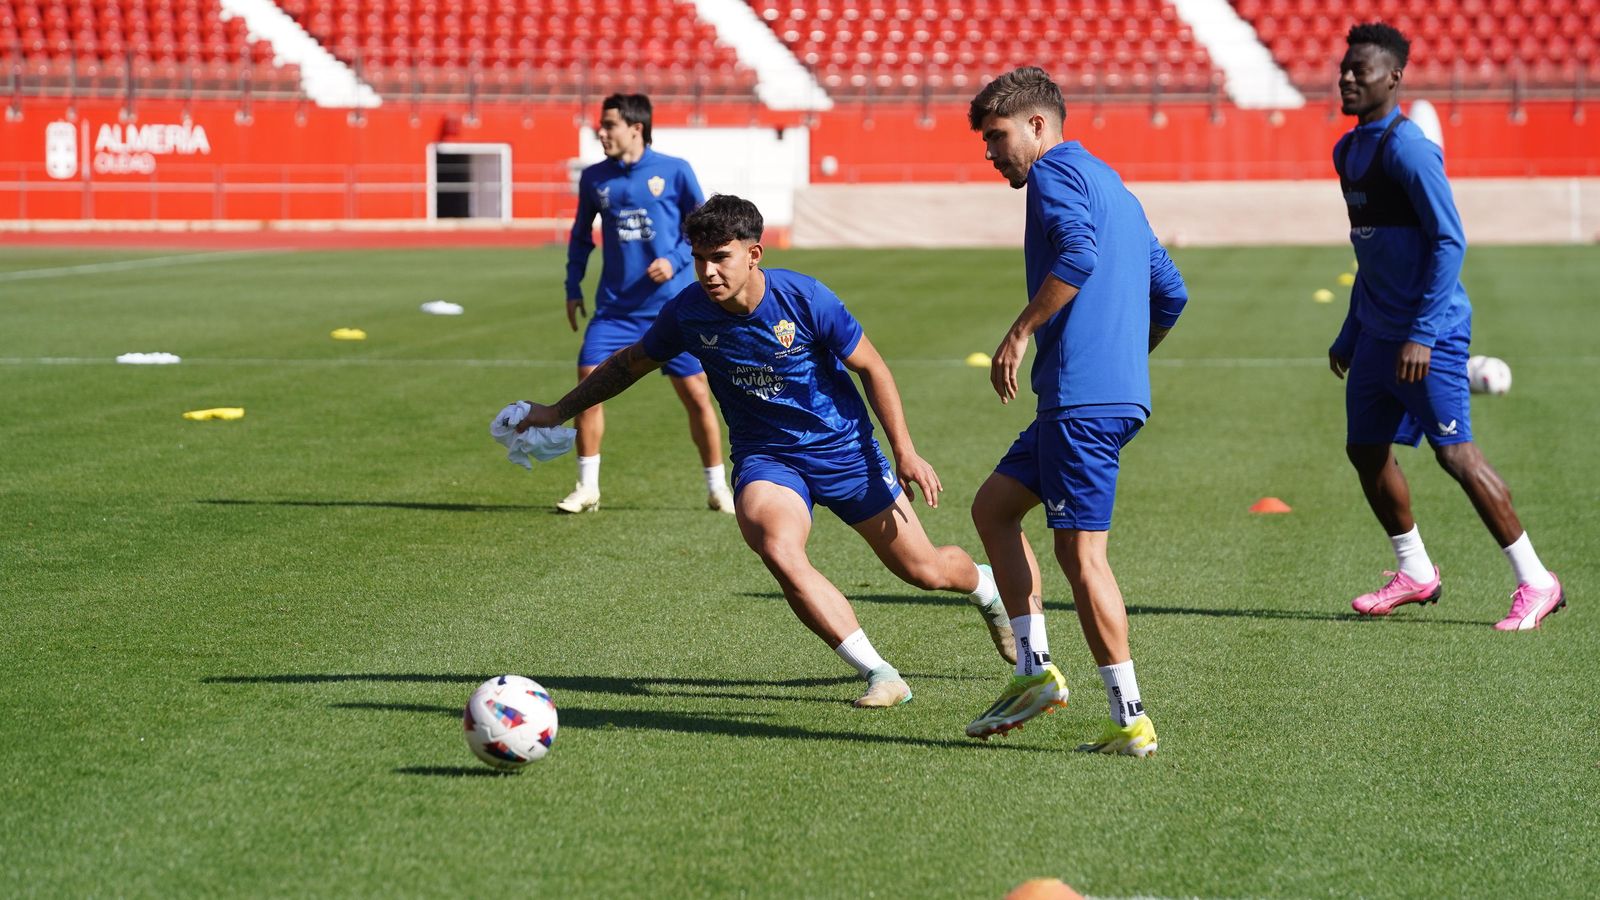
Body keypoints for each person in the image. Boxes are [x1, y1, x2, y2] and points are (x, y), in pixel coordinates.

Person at [523, 194, 1016, 706]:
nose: (707, 272)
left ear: (754, 254)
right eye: (699, 259)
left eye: (720, 258)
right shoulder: (687, 313)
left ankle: (984, 586)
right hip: (767, 458)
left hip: (847, 451)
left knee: (925, 571)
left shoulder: (806, 298)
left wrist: (905, 451)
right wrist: (556, 412)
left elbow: (873, 367)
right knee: (778, 547)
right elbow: (628, 365)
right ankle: (880, 672)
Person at [963, 68, 1189, 757]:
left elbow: (1079, 255)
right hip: (1102, 396)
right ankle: (1032, 672)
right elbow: (1171, 291)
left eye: (998, 136)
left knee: (1082, 555)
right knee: (994, 509)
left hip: (1081, 401)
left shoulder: (1055, 175)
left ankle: (1129, 717)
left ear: (1038, 126)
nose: (991, 153)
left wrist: (1020, 330)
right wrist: (1125, 354)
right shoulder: (1115, 186)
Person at [1328, 23, 1563, 630]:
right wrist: (1353, 330)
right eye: (1346, 68)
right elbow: (1370, 252)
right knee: (1364, 450)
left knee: (1456, 454)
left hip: (1426, 335)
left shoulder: (1408, 149)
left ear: (1394, 79)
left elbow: (1449, 240)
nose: (1348, 78)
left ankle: (1537, 581)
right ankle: (1416, 573)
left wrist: (1424, 333)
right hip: (1379, 333)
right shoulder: (1347, 151)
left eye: (1363, 70)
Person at [562, 93, 734, 515]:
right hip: (614, 310)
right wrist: (572, 285)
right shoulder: (594, 178)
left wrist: (675, 260)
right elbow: (581, 235)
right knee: (588, 388)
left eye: (608, 125)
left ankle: (718, 488)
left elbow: (703, 228)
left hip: (670, 310)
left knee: (697, 395)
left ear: (635, 128)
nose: (600, 132)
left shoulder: (675, 171)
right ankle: (587, 488)